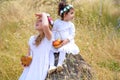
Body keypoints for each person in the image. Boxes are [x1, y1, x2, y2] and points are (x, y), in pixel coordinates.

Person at [19, 12, 53, 80]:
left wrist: (44, 14)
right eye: (37, 20)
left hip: (40, 67)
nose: (37, 22)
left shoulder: (48, 38)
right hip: (30, 68)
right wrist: (24, 62)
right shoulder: (32, 39)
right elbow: (28, 55)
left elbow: (45, 26)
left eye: (41, 21)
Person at [48, 1, 80, 74]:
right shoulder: (57, 22)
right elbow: (54, 32)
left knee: (63, 49)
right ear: (65, 14)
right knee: (50, 50)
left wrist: (66, 41)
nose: (73, 15)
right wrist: (53, 41)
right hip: (57, 42)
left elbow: (72, 34)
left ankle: (59, 64)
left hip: (66, 43)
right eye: (71, 13)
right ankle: (51, 66)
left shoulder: (71, 25)